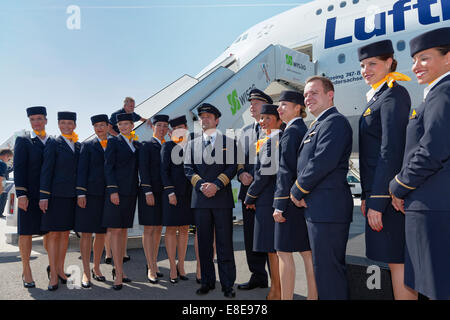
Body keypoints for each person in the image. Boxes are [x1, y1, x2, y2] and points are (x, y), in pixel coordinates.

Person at [389, 27, 450, 300]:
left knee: (438, 288)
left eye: (424, 58)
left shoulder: (443, 93)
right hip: (430, 206)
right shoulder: (435, 94)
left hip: (434, 210)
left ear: (448, 58)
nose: (416, 66)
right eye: (414, 60)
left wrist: (399, 185)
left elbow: (431, 150)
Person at [357, 40, 417, 300]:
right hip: (378, 193)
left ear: (390, 62)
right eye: (362, 65)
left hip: (389, 200)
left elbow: (390, 150)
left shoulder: (394, 94)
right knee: (395, 263)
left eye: (372, 64)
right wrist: (366, 195)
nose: (365, 70)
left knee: (398, 263)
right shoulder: (379, 96)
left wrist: (378, 200)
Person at [289, 77, 353, 300]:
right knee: (324, 271)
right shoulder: (318, 124)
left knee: (329, 273)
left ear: (330, 94)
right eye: (306, 95)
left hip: (328, 210)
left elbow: (321, 162)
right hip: (319, 209)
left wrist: (296, 190)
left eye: (314, 93)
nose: (308, 98)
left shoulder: (334, 122)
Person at [184, 103, 237, 298]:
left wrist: (216, 185)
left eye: (208, 117)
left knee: (225, 244)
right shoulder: (191, 144)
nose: (204, 120)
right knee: (204, 244)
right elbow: (188, 169)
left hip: (221, 199)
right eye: (202, 117)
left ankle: (228, 284)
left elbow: (231, 168)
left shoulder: (229, 142)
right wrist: (202, 186)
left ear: (217, 120)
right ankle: (207, 281)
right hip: (201, 200)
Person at [272, 90, 317, 300]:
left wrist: (279, 205)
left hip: (289, 202)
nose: (279, 109)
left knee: (283, 253)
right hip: (302, 199)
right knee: (307, 254)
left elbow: (285, 170)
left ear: (298, 107)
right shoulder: (304, 129)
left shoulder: (291, 131)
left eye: (284, 105)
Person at [244, 104, 282, 300]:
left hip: (268, 200)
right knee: (272, 250)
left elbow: (263, 175)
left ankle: (277, 291)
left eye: (268, 118)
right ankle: (276, 289)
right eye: (262, 118)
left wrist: (250, 196)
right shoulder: (269, 139)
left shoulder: (272, 141)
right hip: (267, 199)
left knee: (273, 250)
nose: (263, 121)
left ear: (278, 120)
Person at [39, 111, 80, 291]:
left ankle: (61, 270)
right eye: (63, 123)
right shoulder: (53, 143)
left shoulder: (77, 145)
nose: (66, 126)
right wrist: (44, 196)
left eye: (69, 123)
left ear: (74, 125)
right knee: (54, 234)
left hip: (70, 196)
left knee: (65, 234)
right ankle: (53, 274)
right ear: (58, 124)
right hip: (55, 196)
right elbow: (46, 170)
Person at [236, 88, 270, 291]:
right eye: (250, 103)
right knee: (250, 237)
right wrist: (240, 174)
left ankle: (279, 280)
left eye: (255, 103)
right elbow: (238, 159)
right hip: (247, 191)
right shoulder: (246, 131)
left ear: (265, 105)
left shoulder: (275, 128)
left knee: (269, 238)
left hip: (266, 193)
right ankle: (257, 275)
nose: (251, 106)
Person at [13, 106, 50, 288]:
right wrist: (21, 194)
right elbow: (19, 168)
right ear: (30, 121)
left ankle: (54, 268)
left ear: (46, 120)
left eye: (40, 119)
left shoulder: (52, 141)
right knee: (26, 233)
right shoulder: (23, 141)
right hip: (29, 195)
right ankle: (26, 270)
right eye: (33, 119)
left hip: (48, 196)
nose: (36, 122)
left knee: (50, 232)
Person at [103, 113, 140, 290]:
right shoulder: (113, 142)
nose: (124, 127)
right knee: (116, 231)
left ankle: (121, 270)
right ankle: (117, 272)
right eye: (121, 124)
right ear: (118, 126)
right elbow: (108, 167)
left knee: (124, 231)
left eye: (127, 124)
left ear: (132, 125)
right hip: (116, 193)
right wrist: (113, 190)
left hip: (131, 193)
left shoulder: (136, 143)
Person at [75, 114, 110, 288]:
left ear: (108, 126)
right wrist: (81, 193)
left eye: (102, 125)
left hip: (108, 195)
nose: (99, 128)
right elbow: (81, 170)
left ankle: (97, 268)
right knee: (87, 233)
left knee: (102, 233)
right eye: (96, 125)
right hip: (89, 195)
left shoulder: (115, 144)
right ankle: (86, 272)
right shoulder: (87, 146)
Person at [161, 115, 194, 283]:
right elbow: (164, 172)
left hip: (189, 194)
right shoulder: (167, 146)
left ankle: (181, 265)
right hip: (173, 194)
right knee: (171, 229)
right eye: (176, 128)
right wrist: (170, 192)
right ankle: (172, 267)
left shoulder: (192, 145)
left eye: (182, 127)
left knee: (184, 229)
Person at [138, 114, 169, 283]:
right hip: (149, 193)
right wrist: (147, 191)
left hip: (163, 194)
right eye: (159, 126)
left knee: (158, 230)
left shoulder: (168, 146)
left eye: (165, 126)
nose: (162, 129)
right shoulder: (146, 145)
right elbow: (143, 170)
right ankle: (150, 267)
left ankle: (154, 264)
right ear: (153, 127)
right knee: (149, 229)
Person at [0, 149, 14, 215]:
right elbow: (1, 179)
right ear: (6, 156)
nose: (8, 161)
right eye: (9, 159)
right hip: (2, 184)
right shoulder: (2, 164)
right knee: (3, 198)